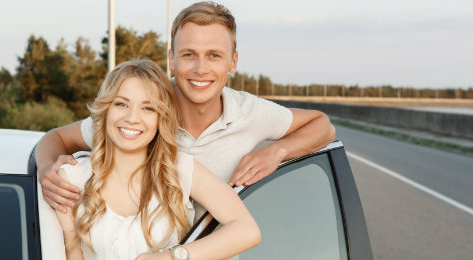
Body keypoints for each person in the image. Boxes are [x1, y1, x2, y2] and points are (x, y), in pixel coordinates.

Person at [36, 1, 335, 219]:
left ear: (233, 62)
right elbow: (55, 139)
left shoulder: (249, 112)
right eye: (189, 55)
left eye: (214, 56)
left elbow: (323, 126)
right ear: (172, 59)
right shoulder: (141, 108)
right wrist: (48, 169)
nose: (200, 69)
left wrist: (276, 152)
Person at [54, 58, 260, 260]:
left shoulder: (179, 169)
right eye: (121, 104)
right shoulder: (73, 177)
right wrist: (70, 239)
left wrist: (173, 257)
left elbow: (246, 230)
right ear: (106, 110)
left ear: (161, 118)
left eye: (148, 108)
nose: (132, 118)